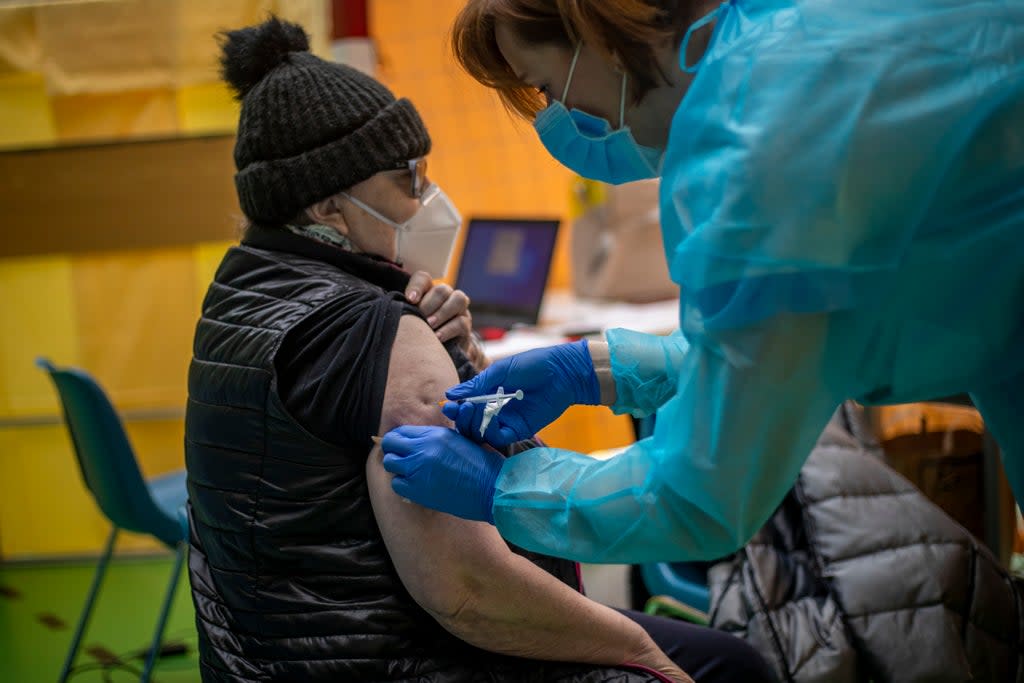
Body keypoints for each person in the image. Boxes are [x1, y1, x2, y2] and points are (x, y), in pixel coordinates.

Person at [184, 16, 776, 683]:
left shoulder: (244, 288)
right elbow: (466, 589)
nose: (431, 197)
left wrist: (481, 361)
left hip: (265, 658)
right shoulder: (372, 328)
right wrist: (638, 649)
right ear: (327, 206)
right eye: (409, 179)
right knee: (729, 665)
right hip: (397, 657)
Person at [381, 0, 1024, 565]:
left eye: (547, 87)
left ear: (598, 28)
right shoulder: (799, 34)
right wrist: (599, 369)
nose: (564, 118)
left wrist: (504, 488)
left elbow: (700, 496)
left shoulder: (759, 145)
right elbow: (787, 347)